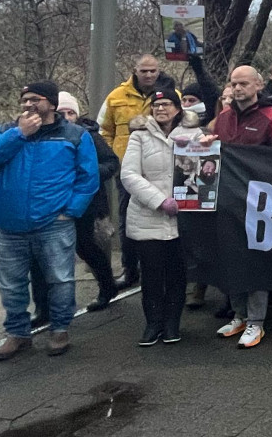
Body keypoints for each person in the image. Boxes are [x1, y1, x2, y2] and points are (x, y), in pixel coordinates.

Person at [0, 81, 99, 360]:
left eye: (35, 99)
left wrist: (72, 210)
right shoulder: (6, 131)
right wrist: (19, 134)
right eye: (24, 100)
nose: (28, 104)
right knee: (11, 284)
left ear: (51, 104)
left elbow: (88, 177)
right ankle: (17, 334)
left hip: (54, 223)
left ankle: (60, 328)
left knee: (61, 279)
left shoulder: (74, 135)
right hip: (9, 225)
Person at [204, 66, 272, 349]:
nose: (238, 88)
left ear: (258, 85)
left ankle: (256, 321)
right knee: (231, 259)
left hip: (259, 203)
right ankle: (239, 315)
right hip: (227, 200)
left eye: (243, 83)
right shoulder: (224, 118)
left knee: (255, 261)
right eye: (234, 83)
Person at [120, 88, 203, 346]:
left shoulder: (194, 135)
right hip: (148, 217)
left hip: (183, 218)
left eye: (167, 104)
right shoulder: (139, 137)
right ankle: (153, 322)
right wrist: (159, 200)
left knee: (177, 273)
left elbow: (206, 169)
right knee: (152, 274)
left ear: (178, 109)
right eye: (156, 105)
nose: (161, 109)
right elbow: (129, 175)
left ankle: (172, 323)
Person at [31, 93, 119, 326]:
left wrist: (85, 172)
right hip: (49, 203)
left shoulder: (88, 136)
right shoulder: (42, 135)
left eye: (71, 112)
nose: (67, 117)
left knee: (85, 247)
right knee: (41, 256)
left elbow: (111, 163)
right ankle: (43, 308)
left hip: (84, 202)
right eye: (63, 113)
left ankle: (107, 286)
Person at [100, 54, 172, 289]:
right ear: (135, 70)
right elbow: (105, 130)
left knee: (165, 219)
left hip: (164, 170)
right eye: (144, 71)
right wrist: (114, 157)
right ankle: (130, 269)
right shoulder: (116, 97)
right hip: (128, 171)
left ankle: (162, 268)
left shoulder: (170, 96)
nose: (149, 75)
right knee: (127, 220)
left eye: (153, 71)